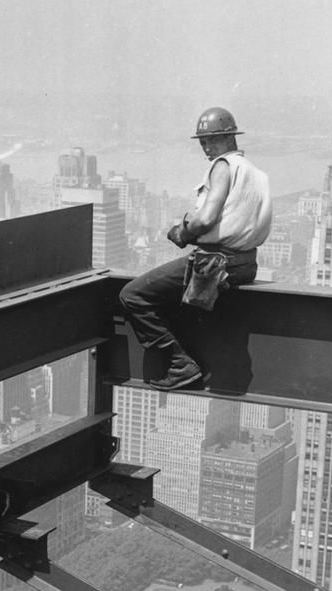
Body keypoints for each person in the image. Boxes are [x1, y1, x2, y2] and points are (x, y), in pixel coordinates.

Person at [120, 107, 272, 390]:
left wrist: (183, 232)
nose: (206, 146)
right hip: (246, 266)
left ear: (229, 138)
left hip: (215, 264)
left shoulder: (223, 166)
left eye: (211, 139)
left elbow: (205, 219)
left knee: (132, 295)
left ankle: (181, 364)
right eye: (203, 141)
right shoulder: (257, 174)